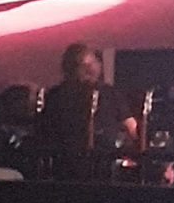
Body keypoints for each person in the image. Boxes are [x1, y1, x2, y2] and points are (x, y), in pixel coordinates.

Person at [43, 43, 137, 174]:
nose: (90, 69)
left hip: (98, 165)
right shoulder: (56, 96)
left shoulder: (110, 93)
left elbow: (132, 127)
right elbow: (46, 134)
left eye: (92, 64)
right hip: (75, 166)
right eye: (83, 66)